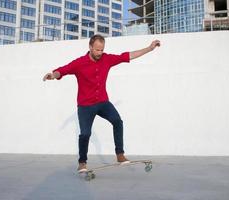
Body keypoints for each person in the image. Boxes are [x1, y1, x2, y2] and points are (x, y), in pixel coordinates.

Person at [43, 34, 160, 172]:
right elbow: (63, 70)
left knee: (117, 121)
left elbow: (127, 56)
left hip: (103, 102)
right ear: (90, 47)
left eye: (102, 50)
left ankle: (120, 155)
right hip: (85, 105)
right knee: (85, 134)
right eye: (97, 50)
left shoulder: (107, 59)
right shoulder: (79, 63)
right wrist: (52, 75)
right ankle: (82, 162)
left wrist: (149, 48)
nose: (100, 53)